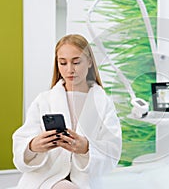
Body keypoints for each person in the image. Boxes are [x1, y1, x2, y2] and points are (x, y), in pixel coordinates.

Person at [12, 34, 122, 189]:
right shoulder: (44, 100)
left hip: (85, 179)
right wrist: (32, 146)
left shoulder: (103, 103)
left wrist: (86, 149)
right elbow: (21, 141)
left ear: (89, 62)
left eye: (76, 62)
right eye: (63, 63)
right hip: (46, 177)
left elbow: (112, 149)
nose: (70, 69)